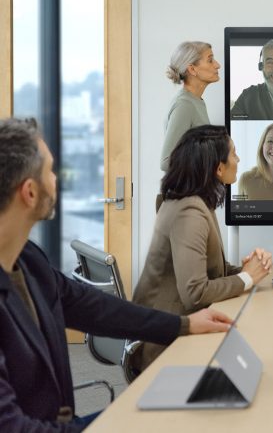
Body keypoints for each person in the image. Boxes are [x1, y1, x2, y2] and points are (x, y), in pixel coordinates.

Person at [0, 118, 232, 431]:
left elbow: (92, 307)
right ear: (29, 192)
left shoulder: (28, 261)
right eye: (50, 171)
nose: (56, 180)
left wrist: (184, 325)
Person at [133, 125, 273, 371]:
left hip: (175, 325)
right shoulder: (190, 212)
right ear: (219, 168)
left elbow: (208, 270)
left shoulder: (193, 202)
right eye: (234, 154)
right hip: (164, 343)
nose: (238, 160)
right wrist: (247, 278)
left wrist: (246, 269)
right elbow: (195, 292)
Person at [160, 41, 219, 171]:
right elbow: (166, 162)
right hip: (186, 192)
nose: (217, 65)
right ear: (192, 69)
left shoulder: (196, 101)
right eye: (210, 60)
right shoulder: (184, 105)